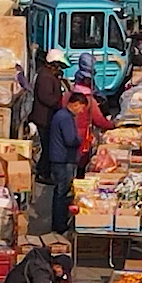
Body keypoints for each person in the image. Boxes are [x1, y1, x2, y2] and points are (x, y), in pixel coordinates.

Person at [29, 47, 66, 183]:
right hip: (44, 117)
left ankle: (43, 171)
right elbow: (45, 96)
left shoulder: (50, 75)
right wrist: (58, 104)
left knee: (48, 145)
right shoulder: (45, 76)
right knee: (47, 146)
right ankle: (43, 173)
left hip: (48, 116)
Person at [48, 96, 80, 235]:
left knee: (59, 191)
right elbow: (70, 139)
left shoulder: (60, 114)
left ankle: (58, 222)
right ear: (76, 104)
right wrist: (80, 140)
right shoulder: (66, 118)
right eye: (81, 107)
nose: (81, 111)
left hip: (58, 158)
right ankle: (59, 224)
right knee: (62, 191)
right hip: (63, 159)